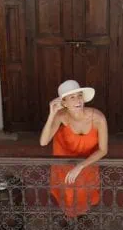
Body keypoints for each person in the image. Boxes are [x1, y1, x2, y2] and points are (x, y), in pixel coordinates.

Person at [40, 79, 108, 219]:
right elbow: (43, 142)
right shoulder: (61, 116)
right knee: (67, 194)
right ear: (64, 103)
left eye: (79, 96)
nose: (78, 100)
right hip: (64, 164)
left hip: (87, 162)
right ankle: (68, 218)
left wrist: (80, 166)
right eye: (72, 97)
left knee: (85, 192)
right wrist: (51, 114)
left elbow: (103, 150)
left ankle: (82, 218)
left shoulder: (98, 118)